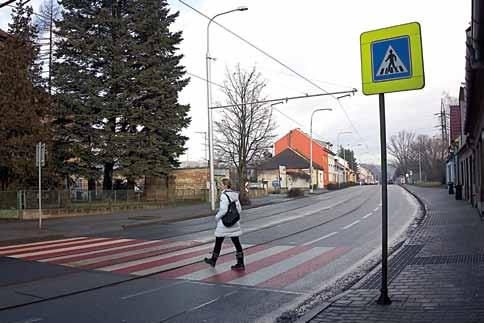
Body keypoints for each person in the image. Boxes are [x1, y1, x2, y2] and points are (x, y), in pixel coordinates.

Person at [204, 178, 245, 270]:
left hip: (224, 224)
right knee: (237, 243)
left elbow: (223, 210)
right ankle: (241, 263)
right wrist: (234, 217)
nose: (219, 186)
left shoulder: (224, 195)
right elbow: (239, 210)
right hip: (234, 223)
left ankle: (213, 260)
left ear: (225, 185)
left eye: (221, 184)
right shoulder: (235, 195)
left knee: (218, 242)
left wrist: (217, 217)